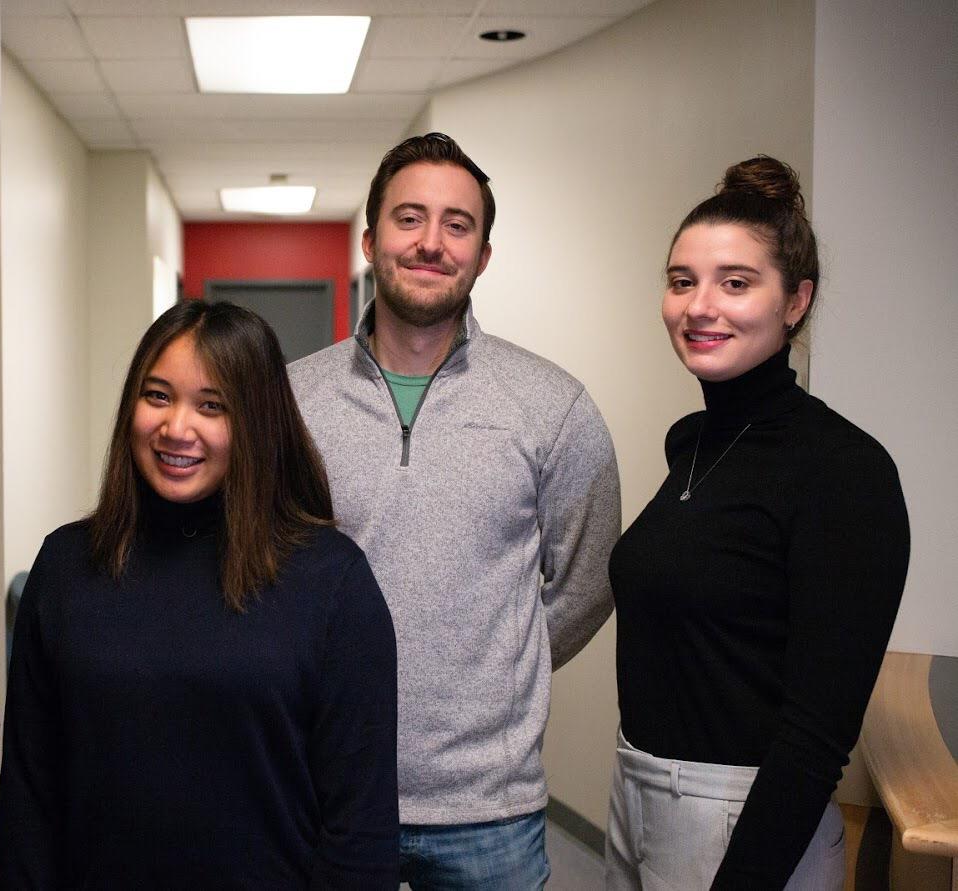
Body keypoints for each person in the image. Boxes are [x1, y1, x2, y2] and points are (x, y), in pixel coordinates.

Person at [289, 132, 620, 889]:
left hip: (490, 810)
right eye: (409, 218)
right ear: (370, 241)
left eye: (457, 225)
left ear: (484, 255)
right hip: (326, 786)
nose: (431, 243)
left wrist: (500, 661)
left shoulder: (552, 406)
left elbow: (591, 577)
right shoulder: (291, 398)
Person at [0, 300, 399, 888]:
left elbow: (359, 832)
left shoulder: (331, 580)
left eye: (212, 405)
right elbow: (29, 798)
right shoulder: (66, 566)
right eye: (157, 396)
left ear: (258, 422)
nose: (176, 428)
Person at [606, 157, 910, 889]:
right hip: (636, 793)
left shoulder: (844, 469)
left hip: (747, 828)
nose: (700, 306)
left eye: (736, 283)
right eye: (682, 281)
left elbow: (817, 735)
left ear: (796, 301)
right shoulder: (692, 443)